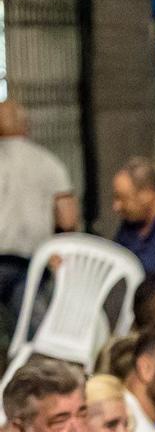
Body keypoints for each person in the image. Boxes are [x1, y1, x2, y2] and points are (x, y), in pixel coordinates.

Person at [0, 101, 79, 337]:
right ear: (27, 127)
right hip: (31, 266)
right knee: (37, 334)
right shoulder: (49, 163)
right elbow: (67, 219)